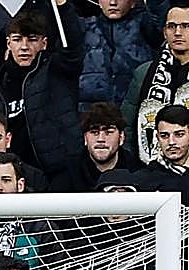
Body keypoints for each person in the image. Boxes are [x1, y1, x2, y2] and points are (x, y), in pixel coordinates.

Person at [0, 2, 85, 175]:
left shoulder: (57, 70)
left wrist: (63, 6)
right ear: (8, 43)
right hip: (13, 175)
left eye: (32, 39)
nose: (24, 47)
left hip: (59, 174)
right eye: (17, 39)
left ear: (44, 43)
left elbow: (72, 47)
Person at [124, 0, 189, 163]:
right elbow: (126, 126)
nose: (178, 32)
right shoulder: (144, 73)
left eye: (186, 26)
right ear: (164, 32)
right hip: (150, 169)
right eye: (171, 26)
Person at [50, 102, 139, 192]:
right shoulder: (67, 175)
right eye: (94, 132)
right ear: (85, 138)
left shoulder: (137, 173)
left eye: (108, 132)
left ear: (121, 137)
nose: (101, 139)